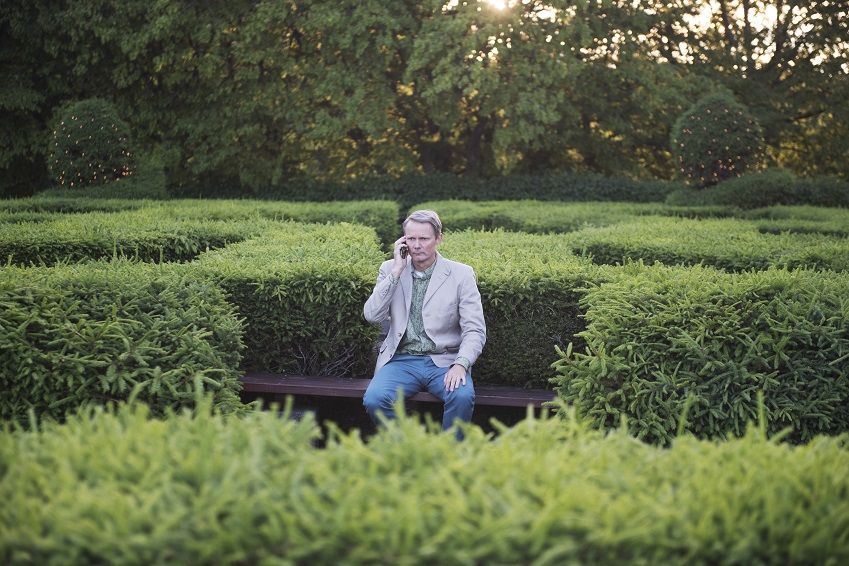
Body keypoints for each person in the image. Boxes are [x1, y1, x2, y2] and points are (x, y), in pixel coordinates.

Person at [363, 209, 486, 437]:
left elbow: (475, 330)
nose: (416, 245)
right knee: (375, 399)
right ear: (403, 241)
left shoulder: (461, 274)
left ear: (438, 238)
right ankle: (409, 453)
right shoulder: (390, 269)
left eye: (424, 238)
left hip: (445, 360)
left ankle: (450, 459)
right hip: (400, 360)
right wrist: (397, 271)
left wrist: (461, 363)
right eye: (411, 239)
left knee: (461, 396)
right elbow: (372, 315)